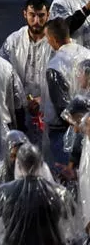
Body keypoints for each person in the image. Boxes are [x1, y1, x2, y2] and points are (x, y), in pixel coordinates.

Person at [0, 131, 53, 238]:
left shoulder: (41, 168)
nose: (17, 161)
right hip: (6, 232)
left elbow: (52, 197)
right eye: (13, 156)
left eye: (20, 156)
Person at [0, 144, 77, 245]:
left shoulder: (3, 192)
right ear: (40, 164)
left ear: (18, 164)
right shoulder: (59, 192)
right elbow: (71, 214)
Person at [43, 18, 90, 167]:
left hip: (64, 133)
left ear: (53, 39)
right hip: (87, 128)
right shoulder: (87, 54)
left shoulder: (55, 66)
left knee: (66, 176)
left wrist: (77, 129)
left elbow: (62, 108)